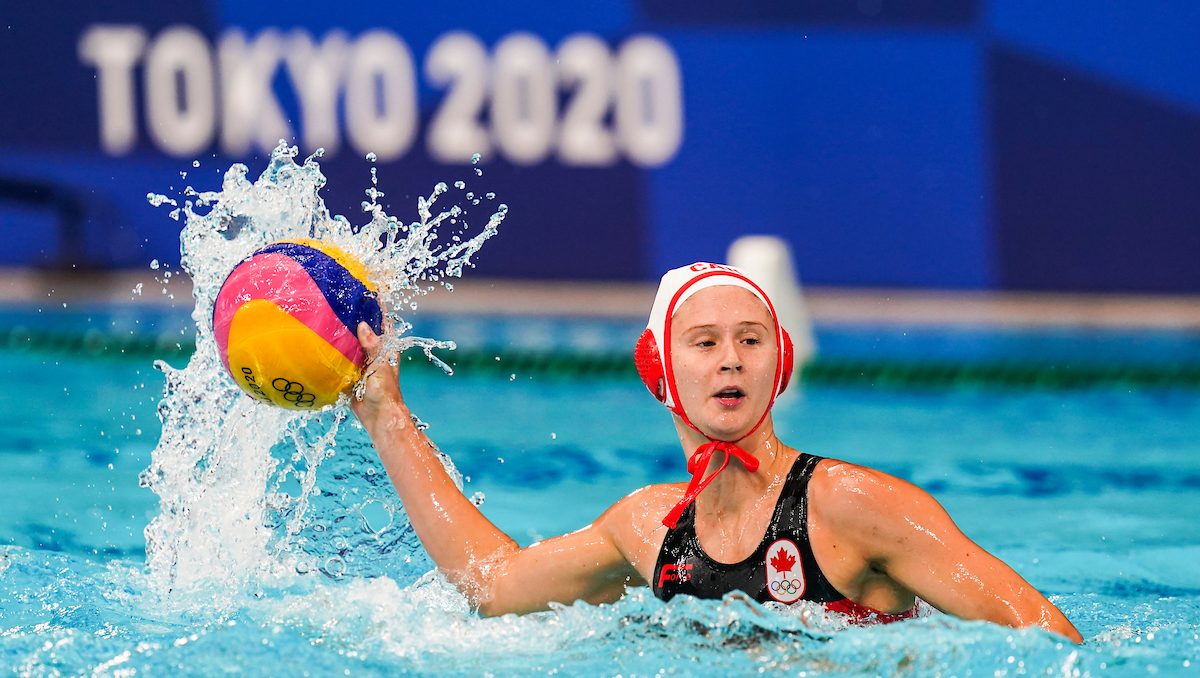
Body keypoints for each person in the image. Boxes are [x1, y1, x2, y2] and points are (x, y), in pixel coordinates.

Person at [350, 262, 1082, 642]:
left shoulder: (851, 505)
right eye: (704, 343)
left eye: (751, 340)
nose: (730, 360)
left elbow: (1048, 638)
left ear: (779, 364)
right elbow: (496, 588)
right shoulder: (649, 528)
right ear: (660, 370)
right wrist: (387, 414)